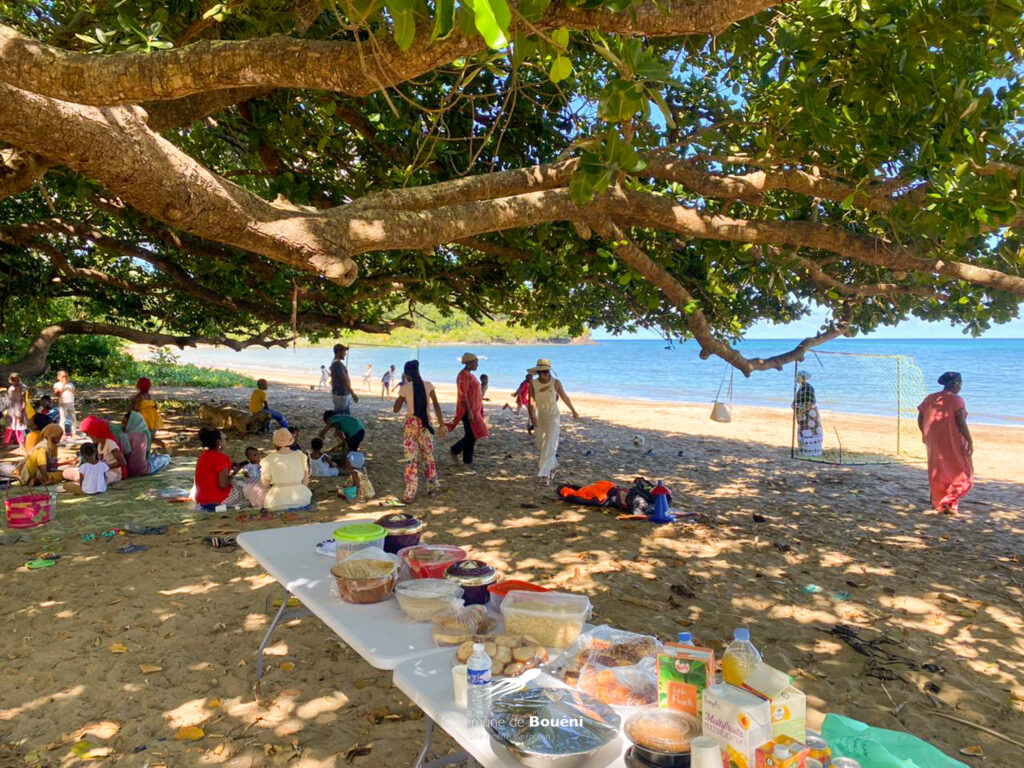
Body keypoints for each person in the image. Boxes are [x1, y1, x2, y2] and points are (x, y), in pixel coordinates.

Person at [918, 371, 974, 515]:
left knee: (938, 469)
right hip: (952, 440)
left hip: (933, 440)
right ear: (955, 384)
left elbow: (920, 416)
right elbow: (961, 421)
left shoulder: (930, 398)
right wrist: (969, 440)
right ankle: (948, 502)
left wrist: (925, 433)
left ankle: (939, 501)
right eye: (960, 384)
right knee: (959, 469)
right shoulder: (957, 400)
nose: (960, 387)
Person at [394, 360, 446, 503]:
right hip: (425, 425)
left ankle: (409, 493)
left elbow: (396, 409)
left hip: (411, 425)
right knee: (428, 456)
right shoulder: (428, 385)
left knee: (410, 459)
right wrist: (441, 424)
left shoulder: (405, 388)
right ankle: (432, 487)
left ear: (407, 374)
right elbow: (436, 405)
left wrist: (404, 395)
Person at [527, 359, 579, 485]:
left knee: (549, 445)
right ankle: (553, 464)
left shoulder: (555, 383)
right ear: (537, 373)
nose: (544, 374)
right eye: (541, 372)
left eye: (546, 371)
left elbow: (564, 397)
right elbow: (531, 402)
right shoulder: (533, 384)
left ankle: (545, 475)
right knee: (541, 445)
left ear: (549, 371)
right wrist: (532, 417)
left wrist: (573, 411)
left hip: (553, 417)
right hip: (540, 417)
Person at [244, 428, 312, 511]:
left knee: (249, 488)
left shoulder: (268, 459)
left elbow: (265, 484)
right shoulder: (301, 456)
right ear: (291, 441)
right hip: (302, 499)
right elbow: (305, 481)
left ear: (275, 443)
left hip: (276, 502)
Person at [448, 353, 489, 465]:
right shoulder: (463, 376)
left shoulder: (469, 374)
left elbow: (474, 392)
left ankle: (467, 459)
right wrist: (469, 411)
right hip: (467, 410)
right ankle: (456, 450)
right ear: (469, 363)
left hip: (474, 409)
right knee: (472, 435)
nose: (477, 365)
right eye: (476, 363)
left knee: (473, 434)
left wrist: (484, 386)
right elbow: (463, 395)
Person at [194, 427, 248, 509]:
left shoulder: (202, 456)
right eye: (224, 439)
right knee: (247, 490)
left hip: (201, 498)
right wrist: (235, 473)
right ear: (218, 443)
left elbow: (212, 469)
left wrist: (230, 466)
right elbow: (223, 485)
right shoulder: (222, 458)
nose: (226, 441)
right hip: (218, 499)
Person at [79, 415, 127, 484]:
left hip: (114, 473)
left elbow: (123, 462)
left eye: (88, 433)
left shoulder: (110, 443)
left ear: (95, 432)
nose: (87, 436)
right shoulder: (100, 445)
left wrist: (106, 466)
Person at [122, 410, 171, 476]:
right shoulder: (144, 435)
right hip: (143, 469)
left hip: (127, 471)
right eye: (123, 423)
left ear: (132, 423)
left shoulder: (123, 436)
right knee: (166, 457)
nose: (123, 425)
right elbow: (146, 455)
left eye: (125, 423)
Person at [128, 378, 167, 448]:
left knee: (142, 439)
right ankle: (163, 444)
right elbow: (155, 407)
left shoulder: (139, 397)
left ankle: (145, 451)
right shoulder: (151, 396)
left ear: (138, 386)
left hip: (142, 419)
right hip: (153, 419)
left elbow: (134, 409)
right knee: (150, 438)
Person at [793, 372, 823, 456]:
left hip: (809, 413)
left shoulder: (809, 388)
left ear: (803, 378)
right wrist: (794, 404)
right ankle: (803, 449)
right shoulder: (801, 387)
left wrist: (801, 411)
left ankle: (812, 451)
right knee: (803, 430)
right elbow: (798, 399)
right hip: (802, 414)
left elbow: (811, 403)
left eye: (799, 377)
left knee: (810, 430)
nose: (797, 378)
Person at [329, 344, 359, 414]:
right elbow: (344, 381)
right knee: (342, 415)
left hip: (339, 393)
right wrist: (353, 394)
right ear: (338, 352)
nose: (345, 354)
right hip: (341, 394)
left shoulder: (334, 363)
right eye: (344, 351)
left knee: (341, 414)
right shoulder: (338, 364)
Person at [4, 372, 27, 447]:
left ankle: (21, 443)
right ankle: (6, 442)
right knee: (9, 426)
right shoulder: (11, 387)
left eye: (17, 380)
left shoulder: (22, 387)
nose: (15, 382)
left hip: (18, 410)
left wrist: (22, 412)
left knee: (18, 427)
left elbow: (24, 400)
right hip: (11, 409)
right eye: (13, 380)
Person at [53, 370, 77, 436]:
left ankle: (73, 433)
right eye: (63, 377)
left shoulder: (70, 384)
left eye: (66, 376)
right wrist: (63, 385)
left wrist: (73, 390)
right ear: (58, 377)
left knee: (73, 418)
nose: (65, 378)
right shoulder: (57, 384)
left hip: (71, 403)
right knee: (63, 419)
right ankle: (62, 434)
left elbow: (74, 391)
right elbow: (57, 394)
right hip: (62, 404)